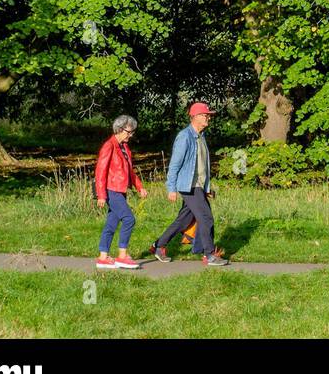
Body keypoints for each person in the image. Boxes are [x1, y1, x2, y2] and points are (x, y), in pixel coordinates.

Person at [149, 101, 228, 266]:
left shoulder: (201, 136)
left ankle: (159, 245)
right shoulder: (185, 137)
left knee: (183, 221)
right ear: (195, 117)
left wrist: (206, 188)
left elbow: (201, 167)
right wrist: (171, 188)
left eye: (208, 115)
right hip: (189, 186)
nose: (208, 118)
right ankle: (209, 254)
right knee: (206, 218)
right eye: (205, 115)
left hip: (198, 186)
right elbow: (175, 165)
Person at [94, 115, 148, 269]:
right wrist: (101, 195)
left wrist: (139, 187)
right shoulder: (108, 146)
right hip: (111, 190)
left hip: (120, 190)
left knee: (111, 224)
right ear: (119, 129)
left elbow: (130, 171)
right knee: (129, 219)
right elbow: (100, 172)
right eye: (129, 132)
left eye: (132, 132)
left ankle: (103, 257)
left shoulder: (124, 148)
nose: (131, 135)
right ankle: (122, 256)